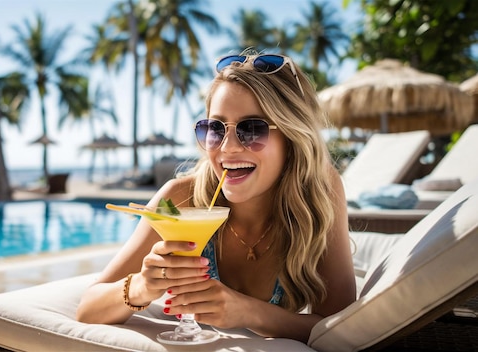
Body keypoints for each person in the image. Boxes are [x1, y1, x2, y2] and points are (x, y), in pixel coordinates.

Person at [76, 50, 356, 343]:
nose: (228, 147)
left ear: (292, 137)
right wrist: (142, 286)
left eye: (251, 129)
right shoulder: (181, 199)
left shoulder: (319, 191)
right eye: (215, 128)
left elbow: (340, 328)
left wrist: (248, 312)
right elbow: (88, 308)